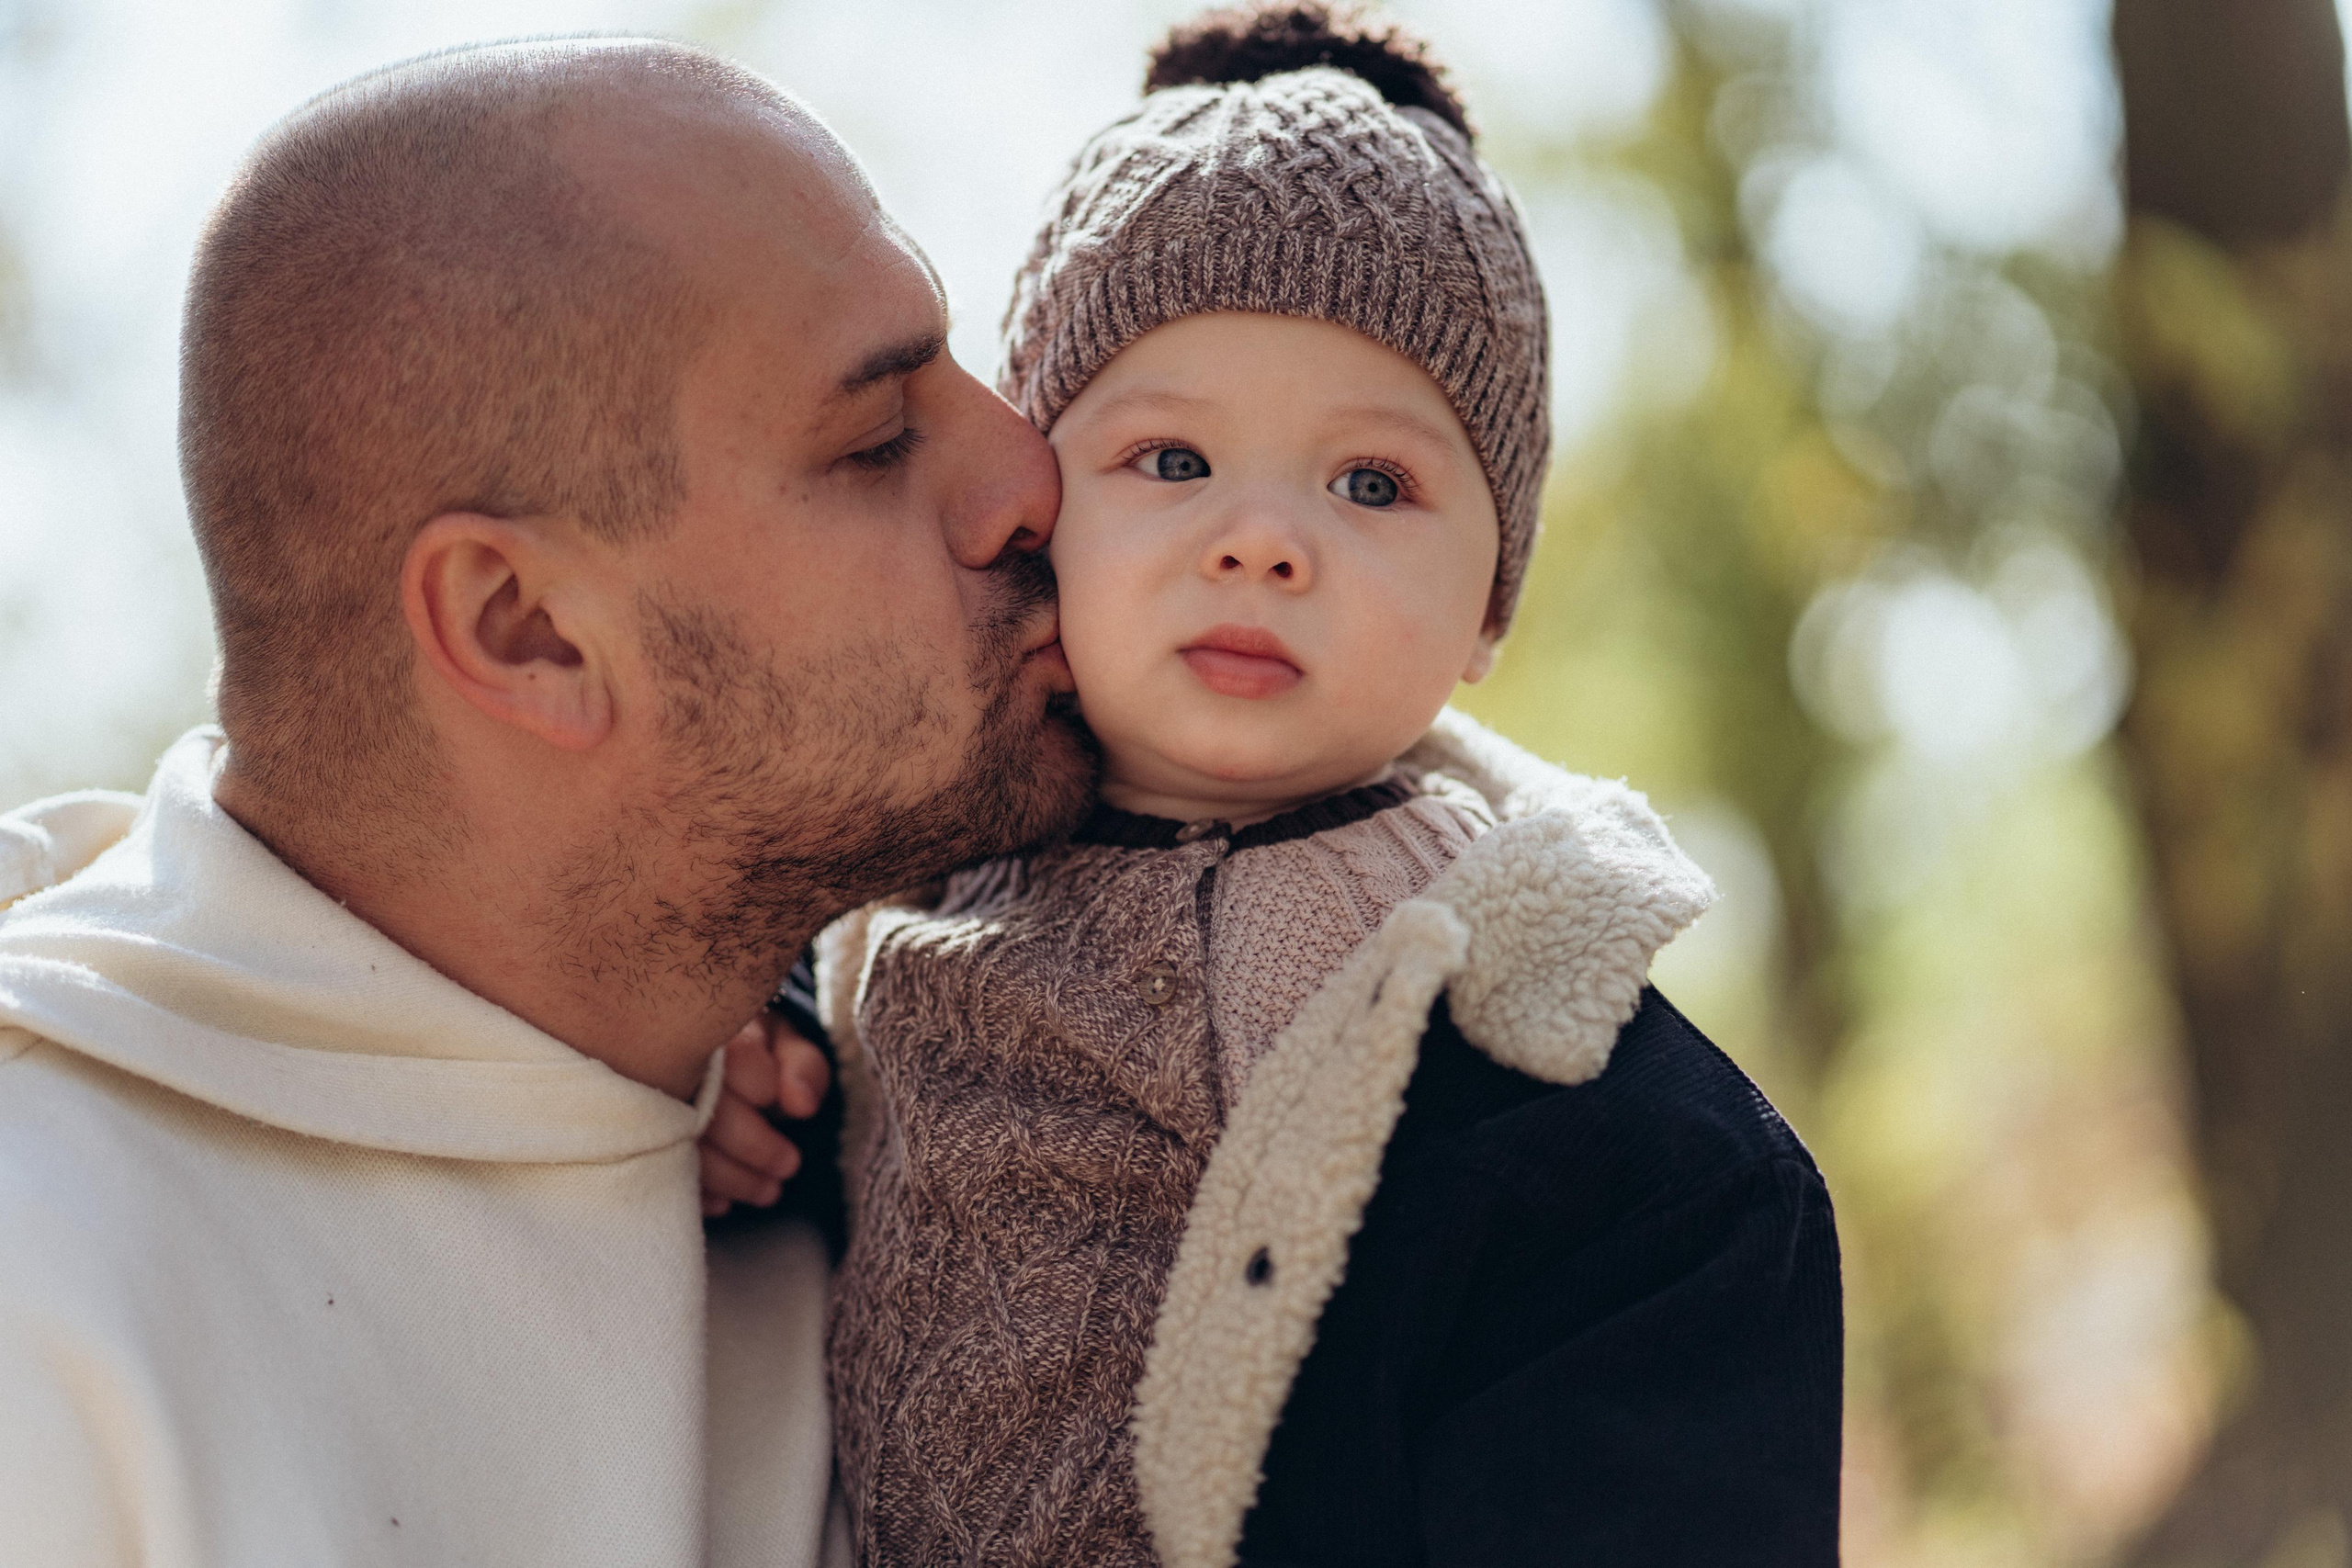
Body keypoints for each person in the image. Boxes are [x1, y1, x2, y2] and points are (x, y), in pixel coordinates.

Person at [702, 6, 1845, 1565]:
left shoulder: (1625, 1152)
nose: (1261, 540)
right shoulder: (849, 930)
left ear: (1492, 599)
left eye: (1371, 484)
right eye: (1169, 461)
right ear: (1034, 510)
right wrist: (733, 1051)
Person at [0, 37, 1094, 1568]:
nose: (1031, 474)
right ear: (528, 632)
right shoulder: (44, 1322)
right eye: (874, 440)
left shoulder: (930, 1129)